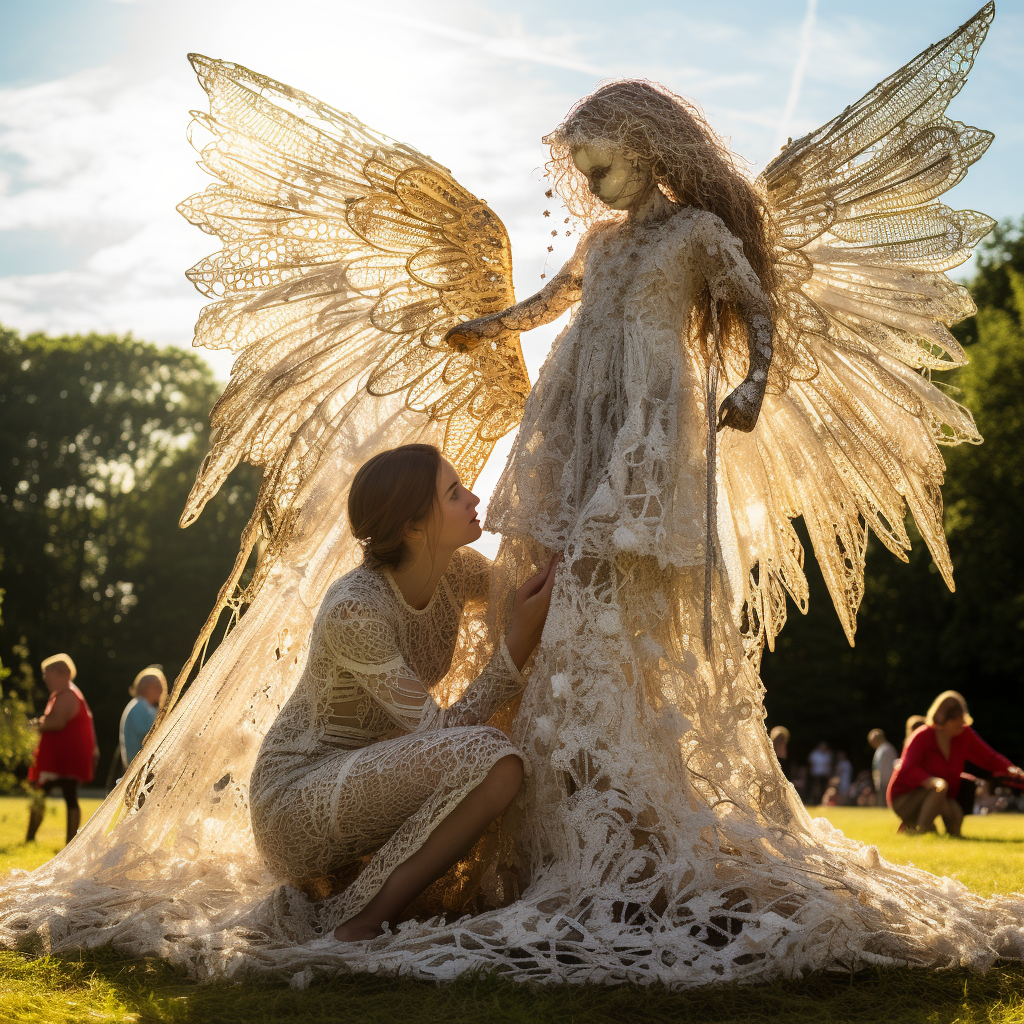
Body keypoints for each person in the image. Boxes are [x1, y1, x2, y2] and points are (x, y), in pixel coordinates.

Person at [3, 10, 1016, 986]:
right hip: (574, 416)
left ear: (649, 146)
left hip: (648, 422)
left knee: (602, 594)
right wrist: (491, 325)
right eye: (582, 173)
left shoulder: (698, 233)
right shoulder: (604, 252)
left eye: (604, 166)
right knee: (525, 658)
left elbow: (756, 311)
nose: (591, 186)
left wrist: (747, 384)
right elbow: (549, 304)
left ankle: (580, 832)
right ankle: (415, 879)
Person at [249, 445, 558, 940]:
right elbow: (441, 736)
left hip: (370, 782)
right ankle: (358, 920)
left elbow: (524, 592)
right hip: (295, 800)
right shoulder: (355, 610)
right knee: (494, 758)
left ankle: (371, 903)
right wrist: (516, 645)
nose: (474, 498)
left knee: (500, 762)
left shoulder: (455, 572)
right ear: (413, 528)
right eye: (455, 494)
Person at [887, 691, 1024, 836]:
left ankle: (915, 829)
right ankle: (921, 830)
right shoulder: (922, 736)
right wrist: (931, 781)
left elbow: (988, 757)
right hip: (905, 797)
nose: (963, 723)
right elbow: (907, 767)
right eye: (958, 719)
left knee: (955, 817)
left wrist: (1010, 768)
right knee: (940, 788)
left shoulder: (963, 735)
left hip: (939, 796)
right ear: (943, 719)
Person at [26, 654, 98, 845]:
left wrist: (35, 724)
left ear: (64, 673)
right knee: (63, 795)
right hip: (61, 758)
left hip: (63, 760)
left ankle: (40, 838)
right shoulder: (64, 694)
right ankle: (52, 839)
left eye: (48, 674)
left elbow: (57, 723)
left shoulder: (67, 695)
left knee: (47, 793)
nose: (46, 679)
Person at [119, 666, 167, 769]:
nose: (161, 689)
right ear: (145, 687)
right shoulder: (140, 707)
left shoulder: (144, 706)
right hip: (140, 768)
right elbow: (150, 736)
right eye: (157, 686)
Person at [868, 729, 898, 808]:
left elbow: (888, 768)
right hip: (882, 781)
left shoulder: (887, 749)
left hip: (886, 781)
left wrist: (884, 782)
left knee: (885, 804)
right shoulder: (881, 749)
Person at [808, 742, 834, 806]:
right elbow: (811, 762)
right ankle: (814, 801)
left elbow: (829, 764)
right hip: (816, 774)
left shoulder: (827, 754)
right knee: (815, 788)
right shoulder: (815, 754)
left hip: (824, 774)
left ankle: (821, 802)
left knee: (823, 789)